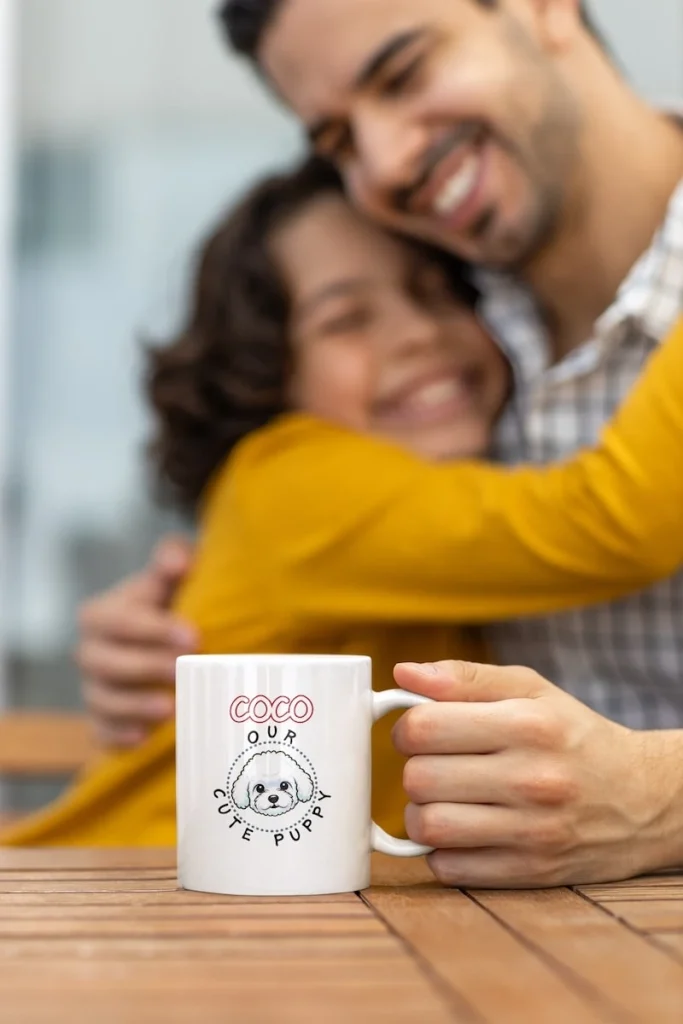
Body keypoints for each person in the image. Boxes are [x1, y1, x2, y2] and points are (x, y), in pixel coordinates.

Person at [8, 145, 683, 866]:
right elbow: (608, 518)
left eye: (435, 293)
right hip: (100, 900)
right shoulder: (290, 479)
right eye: (346, 320)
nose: (416, 332)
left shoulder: (464, 532)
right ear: (266, 376)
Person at [214, 0, 683, 885]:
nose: (386, 163)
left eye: (404, 72)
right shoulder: (454, 358)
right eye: (340, 142)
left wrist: (663, 799)